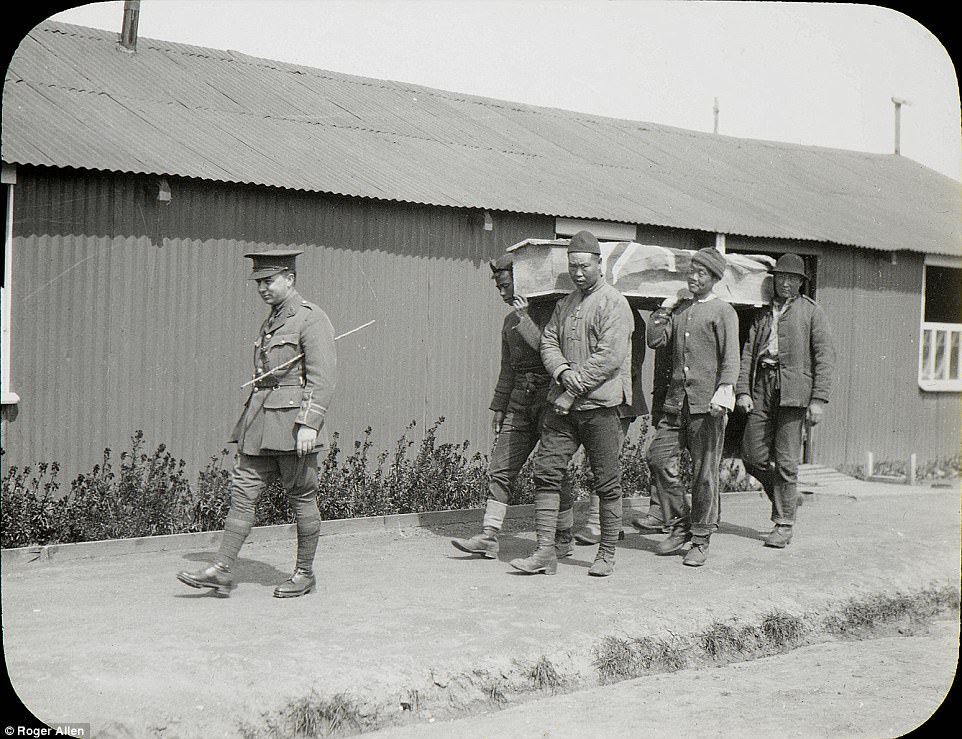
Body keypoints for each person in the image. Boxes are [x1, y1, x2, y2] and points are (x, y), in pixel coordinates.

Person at [177, 250, 336, 598]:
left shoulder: (310, 319)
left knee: (302, 498)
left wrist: (309, 423)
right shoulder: (272, 320)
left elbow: (322, 379)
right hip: (259, 423)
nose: (262, 288)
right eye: (259, 282)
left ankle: (304, 573)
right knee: (242, 495)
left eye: (269, 281)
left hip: (293, 428)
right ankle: (221, 569)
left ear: (289, 279)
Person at [510, 230, 633, 577]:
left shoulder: (614, 304)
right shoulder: (565, 304)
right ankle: (544, 552)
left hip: (600, 409)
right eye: (573, 266)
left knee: (607, 481)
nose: (579, 273)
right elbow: (548, 342)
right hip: (563, 408)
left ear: (599, 264)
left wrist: (573, 387)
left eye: (585, 266)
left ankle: (606, 553)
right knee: (547, 472)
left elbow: (609, 356)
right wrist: (563, 372)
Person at [450, 254, 571, 559]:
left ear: (523, 282)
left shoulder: (551, 312)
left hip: (549, 400)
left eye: (506, 286)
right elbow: (508, 368)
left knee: (552, 470)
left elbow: (550, 352)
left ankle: (564, 536)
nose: (502, 294)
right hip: (519, 401)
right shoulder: (508, 321)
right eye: (499, 288)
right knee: (500, 467)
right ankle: (489, 536)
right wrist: (499, 406)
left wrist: (526, 319)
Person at [645, 247, 739, 567]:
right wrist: (665, 308)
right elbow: (655, 340)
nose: (694, 277)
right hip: (676, 404)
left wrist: (724, 393)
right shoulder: (681, 309)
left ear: (714, 278)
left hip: (707, 406)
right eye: (692, 271)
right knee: (657, 458)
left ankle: (700, 539)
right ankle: (681, 522)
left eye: (701, 273)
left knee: (704, 474)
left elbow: (730, 358)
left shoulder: (723, 311)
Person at [736, 253, 836, 548]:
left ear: (801, 283)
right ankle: (788, 494)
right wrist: (743, 390)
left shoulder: (811, 312)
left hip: (794, 392)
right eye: (781, 278)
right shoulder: (763, 313)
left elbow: (824, 358)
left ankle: (783, 523)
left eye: (792, 279)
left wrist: (818, 400)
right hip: (762, 386)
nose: (786, 283)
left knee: (787, 461)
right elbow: (747, 354)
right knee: (752, 455)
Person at [574, 308, 647, 544]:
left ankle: (600, 524)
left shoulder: (626, 314)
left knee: (604, 463)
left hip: (617, 401)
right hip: (596, 399)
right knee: (599, 462)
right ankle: (606, 524)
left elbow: (628, 365)